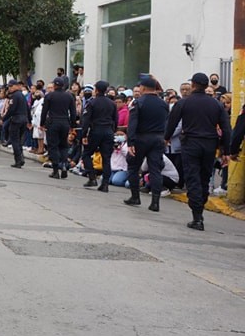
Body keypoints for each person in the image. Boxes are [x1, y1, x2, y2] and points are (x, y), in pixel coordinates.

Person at [164, 72, 231, 230]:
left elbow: (172, 122)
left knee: (192, 177)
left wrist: (166, 138)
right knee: (204, 177)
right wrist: (226, 151)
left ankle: (197, 215)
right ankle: (200, 208)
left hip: (191, 143)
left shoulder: (184, 103)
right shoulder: (216, 104)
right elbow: (226, 128)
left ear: (193, 85)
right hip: (209, 144)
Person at [125, 75, 169, 212]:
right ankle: (155, 202)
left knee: (133, 167)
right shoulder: (164, 104)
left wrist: (130, 142)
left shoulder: (137, 102)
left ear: (142, 88)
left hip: (141, 138)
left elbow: (132, 124)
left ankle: (135, 196)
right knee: (155, 169)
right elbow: (166, 122)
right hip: (158, 138)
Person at [80, 80, 116, 192]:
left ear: (96, 90)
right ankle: (105, 184)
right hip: (108, 131)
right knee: (106, 158)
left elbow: (86, 120)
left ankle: (92, 177)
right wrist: (112, 131)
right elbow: (116, 120)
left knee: (86, 154)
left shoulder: (92, 103)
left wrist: (84, 134)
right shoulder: (112, 103)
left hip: (96, 130)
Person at [39, 76, 77, 179]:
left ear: (55, 85)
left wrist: (42, 123)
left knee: (53, 146)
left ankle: (55, 170)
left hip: (53, 122)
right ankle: (64, 165)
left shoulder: (49, 96)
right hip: (65, 122)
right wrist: (72, 125)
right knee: (63, 145)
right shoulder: (69, 96)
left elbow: (44, 111)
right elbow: (73, 112)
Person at [2, 79, 29, 168]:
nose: (9, 88)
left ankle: (18, 160)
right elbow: (27, 108)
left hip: (16, 119)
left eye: (11, 86)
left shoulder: (14, 96)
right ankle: (21, 158)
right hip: (23, 120)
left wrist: (4, 118)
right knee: (19, 141)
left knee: (15, 140)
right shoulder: (21, 95)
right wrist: (29, 119)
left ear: (15, 86)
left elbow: (11, 110)